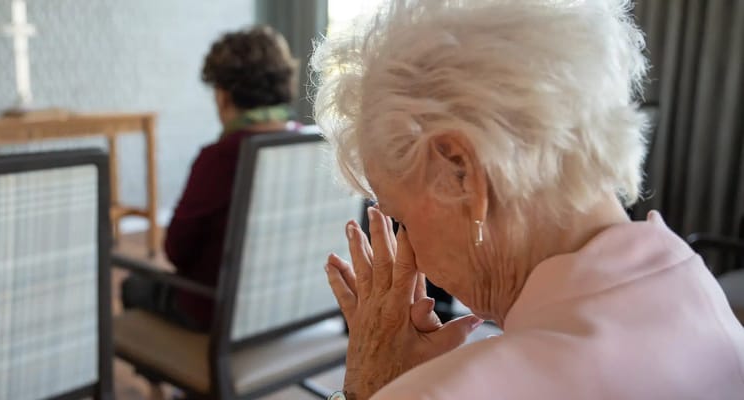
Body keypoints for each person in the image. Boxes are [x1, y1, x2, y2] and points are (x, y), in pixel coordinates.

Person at [312, 0, 744, 399]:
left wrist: (372, 389)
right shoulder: (694, 281)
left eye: (401, 217)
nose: (413, 258)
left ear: (464, 174)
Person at [121, 25, 299, 331]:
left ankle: (175, 366)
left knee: (132, 285)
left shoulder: (221, 157)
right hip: (292, 305)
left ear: (223, 95)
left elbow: (176, 250)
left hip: (220, 314)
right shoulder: (312, 144)